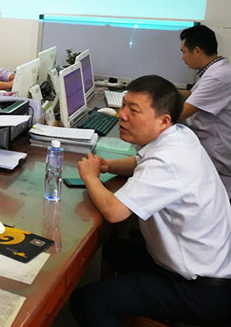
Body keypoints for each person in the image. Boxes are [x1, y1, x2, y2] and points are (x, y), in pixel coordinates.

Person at [70, 75, 231, 327]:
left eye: (133, 111)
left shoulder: (167, 161)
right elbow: (139, 162)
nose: (122, 115)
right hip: (208, 264)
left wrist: (90, 176)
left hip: (198, 290)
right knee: (115, 251)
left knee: (86, 301)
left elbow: (114, 212)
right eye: (123, 105)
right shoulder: (180, 135)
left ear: (163, 120)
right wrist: (108, 165)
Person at [178, 24, 231, 196]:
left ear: (197, 51)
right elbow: (194, 94)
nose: (182, 58)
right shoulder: (215, 70)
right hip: (208, 144)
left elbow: (182, 113)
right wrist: (162, 90)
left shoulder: (217, 77)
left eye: (184, 52)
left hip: (215, 152)